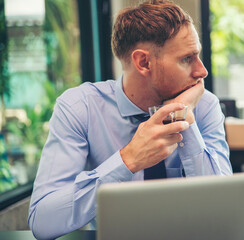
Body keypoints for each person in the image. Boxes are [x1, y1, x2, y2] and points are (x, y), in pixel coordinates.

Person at [28, 0, 232, 239]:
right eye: (187, 59)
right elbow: (42, 221)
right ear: (143, 62)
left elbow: (225, 212)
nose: (202, 71)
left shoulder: (204, 106)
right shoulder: (79, 108)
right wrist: (128, 160)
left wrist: (182, 115)